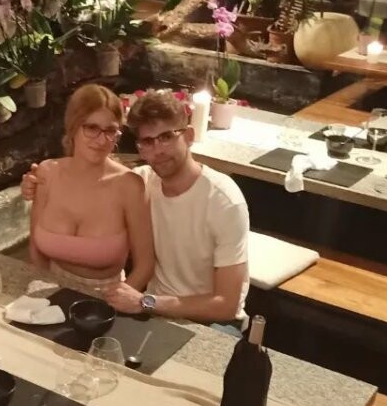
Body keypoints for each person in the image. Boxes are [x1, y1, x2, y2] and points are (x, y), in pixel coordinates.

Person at [24, 86, 249, 330]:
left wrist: (145, 302)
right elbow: (97, 179)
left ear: (189, 136)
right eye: (148, 141)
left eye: (167, 137)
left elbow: (226, 305)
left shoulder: (224, 201)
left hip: (212, 321)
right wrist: (32, 184)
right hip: (152, 309)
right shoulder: (143, 181)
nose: (158, 150)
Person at [27, 82, 155, 298]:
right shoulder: (46, 173)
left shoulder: (128, 185)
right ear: (73, 127)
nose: (101, 140)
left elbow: (145, 266)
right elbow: (35, 249)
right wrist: (45, 293)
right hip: (49, 291)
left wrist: (114, 304)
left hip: (106, 299)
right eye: (92, 128)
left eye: (110, 131)